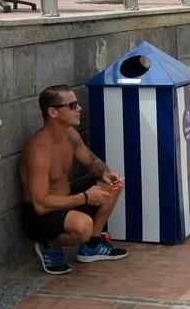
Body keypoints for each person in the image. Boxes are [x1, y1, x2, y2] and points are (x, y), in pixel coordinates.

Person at [19, 85, 127, 275]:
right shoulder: (39, 151)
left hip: (67, 200)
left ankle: (92, 246)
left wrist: (105, 173)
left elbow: (92, 161)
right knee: (83, 226)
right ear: (53, 112)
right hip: (41, 216)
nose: (79, 109)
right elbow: (40, 205)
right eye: (72, 105)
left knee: (113, 185)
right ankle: (48, 245)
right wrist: (85, 198)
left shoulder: (70, 136)